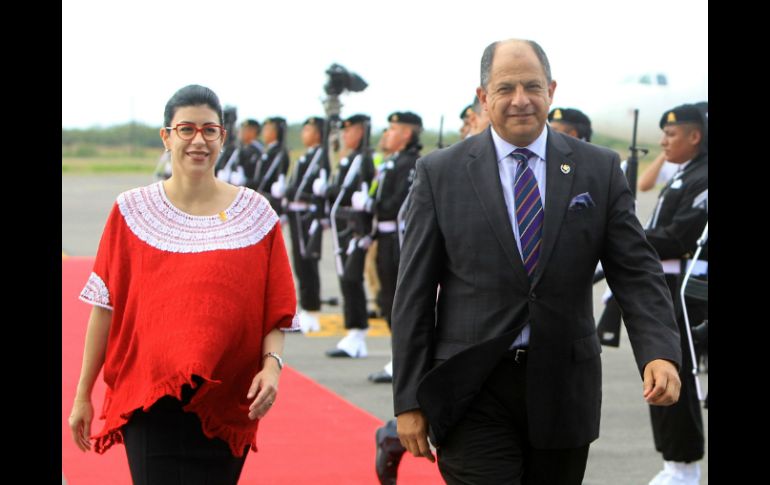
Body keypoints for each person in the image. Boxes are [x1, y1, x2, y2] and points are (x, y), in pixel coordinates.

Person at [392, 39, 682, 484]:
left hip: (563, 386)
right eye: (505, 88)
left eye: (532, 86)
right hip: (472, 387)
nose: (520, 100)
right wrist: (408, 398)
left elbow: (636, 272)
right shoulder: (440, 173)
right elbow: (413, 292)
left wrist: (659, 352)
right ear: (484, 97)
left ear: (552, 89)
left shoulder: (598, 169)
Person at [68, 84, 298, 485]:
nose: (198, 140)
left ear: (223, 138)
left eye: (209, 130)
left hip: (228, 401)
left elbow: (273, 308)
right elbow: (105, 307)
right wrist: (82, 394)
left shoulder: (256, 214)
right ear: (167, 136)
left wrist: (271, 368)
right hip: (149, 398)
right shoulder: (130, 211)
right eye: (186, 129)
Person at [645, 103, 708, 485]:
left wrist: (623, 237)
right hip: (666, 286)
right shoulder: (686, 175)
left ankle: (684, 469)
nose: (663, 141)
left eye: (671, 134)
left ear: (694, 137)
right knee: (662, 373)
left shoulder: (702, 177)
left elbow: (679, 237)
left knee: (676, 376)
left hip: (686, 291)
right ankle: (675, 464)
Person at [318, 114, 376, 354]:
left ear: (361, 132)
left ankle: (358, 332)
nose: (345, 136)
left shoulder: (364, 160)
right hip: (343, 227)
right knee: (345, 278)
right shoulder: (350, 159)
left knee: (352, 278)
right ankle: (353, 330)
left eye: (349, 131)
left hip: (355, 229)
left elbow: (361, 191)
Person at [275, 116, 329, 332]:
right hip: (297, 214)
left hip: (309, 215)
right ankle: (306, 307)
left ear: (317, 134)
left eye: (308, 130)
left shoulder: (321, 155)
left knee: (308, 261)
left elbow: (318, 187)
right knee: (299, 262)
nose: (303, 134)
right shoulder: (308, 155)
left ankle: (312, 309)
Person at [217, 118, 264, 186]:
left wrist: (245, 181)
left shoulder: (257, 151)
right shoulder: (241, 148)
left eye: (245, 129)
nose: (241, 132)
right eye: (242, 129)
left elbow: (257, 178)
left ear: (253, 132)